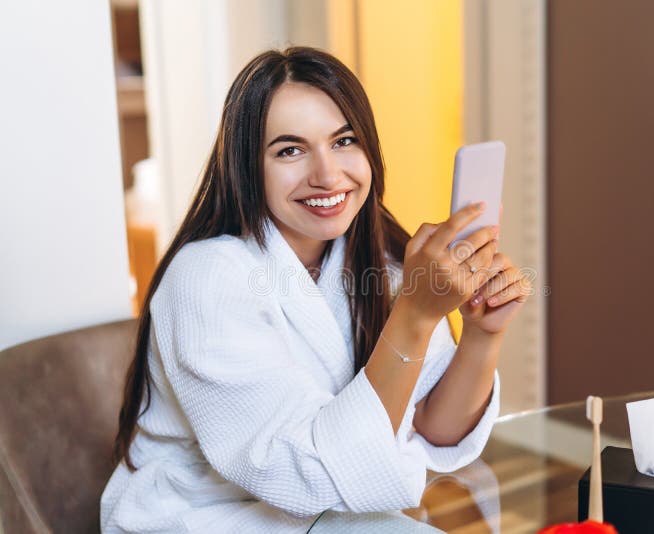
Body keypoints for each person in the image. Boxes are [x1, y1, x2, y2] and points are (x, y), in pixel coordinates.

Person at [101, 46, 531, 533]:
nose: (327, 175)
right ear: (247, 166)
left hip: (320, 516)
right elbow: (308, 474)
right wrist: (415, 315)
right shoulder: (204, 281)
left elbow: (433, 428)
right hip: (199, 517)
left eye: (344, 141)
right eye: (290, 150)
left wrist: (481, 335)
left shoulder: (379, 259)